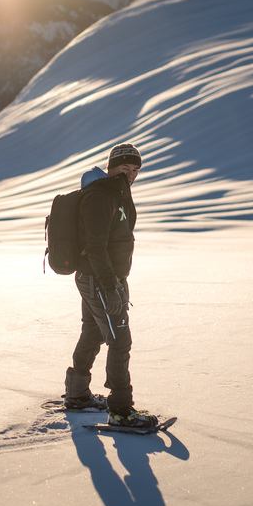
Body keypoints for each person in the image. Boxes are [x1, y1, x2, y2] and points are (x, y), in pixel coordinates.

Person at [63, 143, 158, 428]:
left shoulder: (116, 194)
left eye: (135, 170)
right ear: (110, 167)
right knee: (120, 340)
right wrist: (109, 286)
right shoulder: (101, 196)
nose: (130, 174)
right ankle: (120, 410)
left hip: (103, 278)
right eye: (124, 168)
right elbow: (95, 246)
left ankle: (77, 395)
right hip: (98, 279)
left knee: (93, 331)